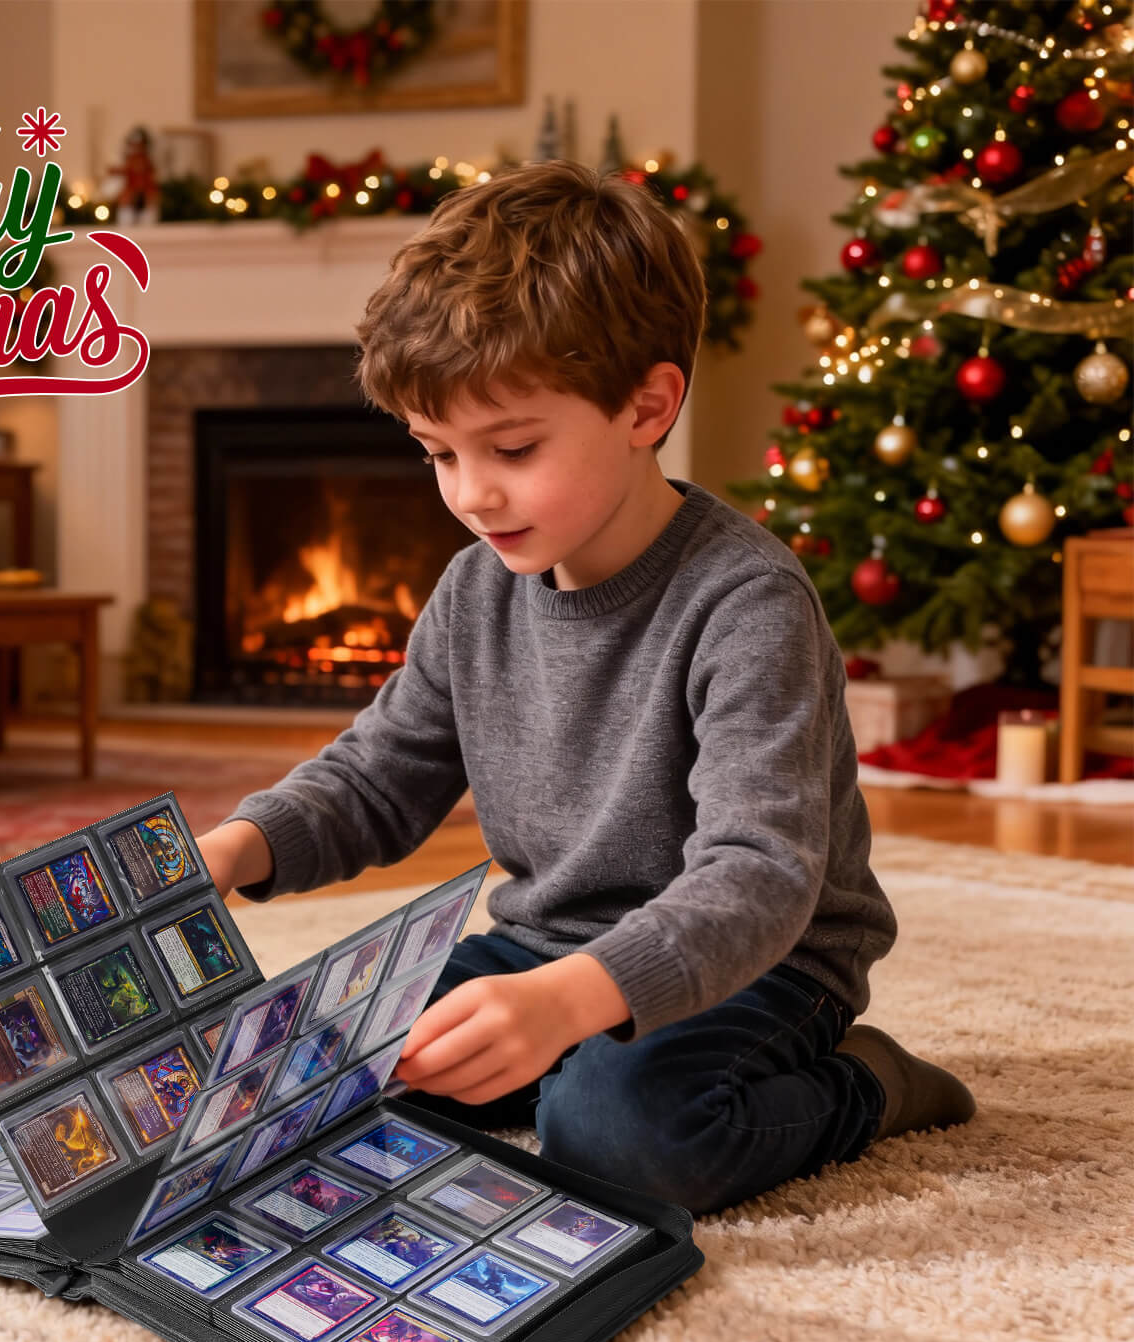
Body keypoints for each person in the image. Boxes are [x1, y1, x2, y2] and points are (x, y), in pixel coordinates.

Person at [195, 160, 974, 1216]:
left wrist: (570, 1004)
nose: (471, 494)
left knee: (612, 1136)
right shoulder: (476, 589)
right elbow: (381, 775)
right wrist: (232, 851)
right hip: (545, 946)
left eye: (511, 447)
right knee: (302, 1059)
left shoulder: (745, 600)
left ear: (647, 405)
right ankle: (550, 1049)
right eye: (437, 454)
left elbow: (758, 877)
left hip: (762, 962)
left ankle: (866, 1084)